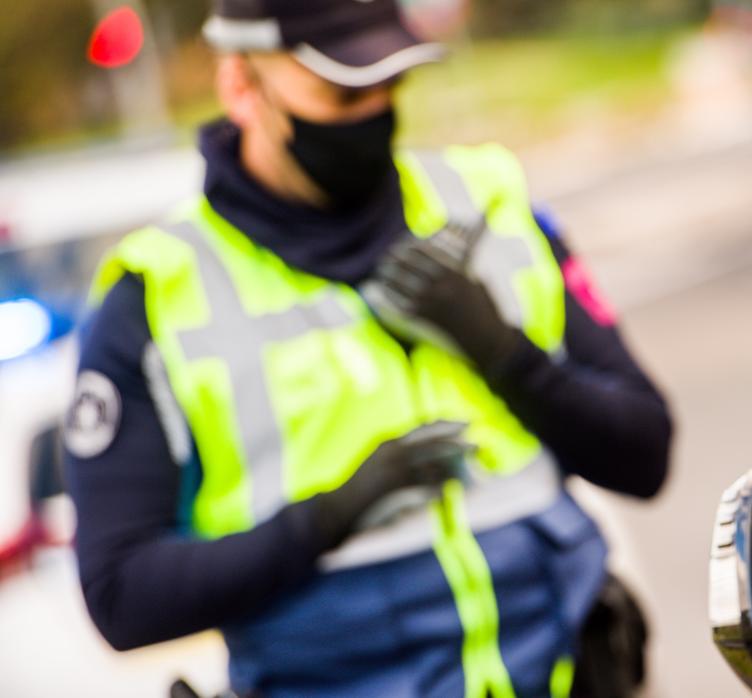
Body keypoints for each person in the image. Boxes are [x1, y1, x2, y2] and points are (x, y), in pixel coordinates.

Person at [61, 1, 673, 696]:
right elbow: (122, 597)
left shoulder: (485, 202)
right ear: (241, 86)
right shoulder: (155, 294)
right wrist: (328, 517)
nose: (375, 111)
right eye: (344, 93)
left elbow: (645, 455)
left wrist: (501, 351)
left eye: (391, 85)